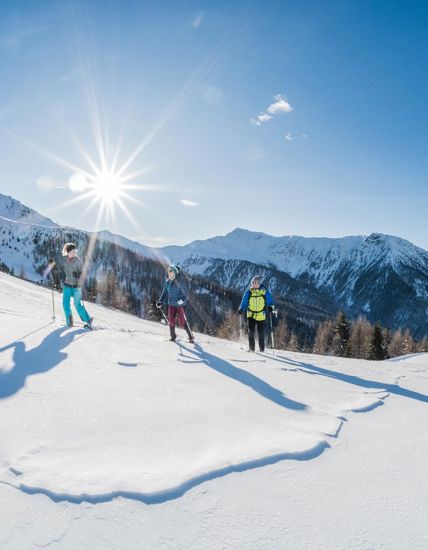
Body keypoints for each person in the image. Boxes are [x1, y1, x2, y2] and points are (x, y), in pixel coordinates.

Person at [49, 243, 92, 328]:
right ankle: (70, 323)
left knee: (77, 305)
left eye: (75, 251)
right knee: (65, 304)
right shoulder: (63, 260)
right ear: (68, 252)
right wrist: (52, 264)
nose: (74, 253)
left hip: (77, 287)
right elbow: (58, 269)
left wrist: (79, 275)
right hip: (67, 285)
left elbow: (84, 272)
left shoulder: (77, 260)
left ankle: (88, 321)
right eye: (72, 251)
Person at [157, 265, 194, 343]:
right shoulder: (167, 283)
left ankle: (190, 336)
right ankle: (173, 337)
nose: (169, 273)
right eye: (169, 271)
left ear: (175, 273)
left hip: (180, 304)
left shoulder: (180, 281)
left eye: (171, 271)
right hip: (171, 304)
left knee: (182, 321)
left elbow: (186, 293)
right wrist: (160, 301)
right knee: (171, 320)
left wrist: (182, 300)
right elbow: (164, 294)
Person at [238, 275, 275, 352]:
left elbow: (271, 302)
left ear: (259, 283)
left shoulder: (264, 292)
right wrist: (241, 309)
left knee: (260, 333)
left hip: (261, 315)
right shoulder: (248, 293)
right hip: (251, 314)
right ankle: (251, 349)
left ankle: (262, 349)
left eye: (256, 283)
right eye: (253, 283)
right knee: (251, 332)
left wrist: (271, 307)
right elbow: (244, 302)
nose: (254, 284)